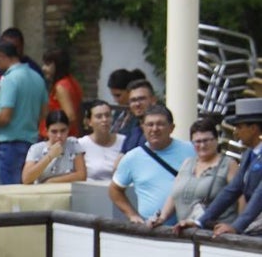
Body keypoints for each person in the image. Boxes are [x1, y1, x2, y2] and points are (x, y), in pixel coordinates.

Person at [109, 105, 195, 225]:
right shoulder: (132, 158)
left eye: (160, 124)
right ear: (142, 127)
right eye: (150, 124)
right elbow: (114, 189)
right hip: (152, 229)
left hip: (190, 229)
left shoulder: (192, 150)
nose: (154, 129)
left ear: (172, 128)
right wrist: (132, 215)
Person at [0, 28, 42, 185]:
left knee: (8, 192)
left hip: (10, 143)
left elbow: (5, 116)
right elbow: (44, 112)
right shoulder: (36, 77)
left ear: (1, 56)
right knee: (24, 188)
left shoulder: (9, 78)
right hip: (31, 141)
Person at [151, 116, 237, 232]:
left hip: (216, 233)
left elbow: (240, 197)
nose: (202, 145)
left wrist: (236, 228)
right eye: (197, 141)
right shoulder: (187, 163)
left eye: (206, 140)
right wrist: (162, 218)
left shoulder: (228, 164)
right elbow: (174, 195)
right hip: (185, 231)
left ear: (216, 140)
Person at [192, 98, 262, 236]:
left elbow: (260, 196)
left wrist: (236, 227)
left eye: (240, 127)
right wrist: (200, 221)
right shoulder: (249, 154)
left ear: (253, 128)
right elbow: (232, 190)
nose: (236, 133)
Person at [22, 110, 85, 185]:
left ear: (68, 129)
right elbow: (26, 179)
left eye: (63, 131)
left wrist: (52, 181)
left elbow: (81, 175)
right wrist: (50, 156)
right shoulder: (36, 149)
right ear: (46, 131)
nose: (59, 136)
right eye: (54, 132)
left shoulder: (73, 144)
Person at [39, 47, 83, 138]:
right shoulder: (72, 81)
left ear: (57, 65)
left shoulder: (61, 86)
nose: (43, 68)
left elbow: (70, 116)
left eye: (48, 64)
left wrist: (56, 134)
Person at [78, 99, 125, 182]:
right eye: (99, 116)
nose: (104, 120)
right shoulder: (81, 144)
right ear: (89, 122)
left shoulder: (124, 141)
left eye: (107, 115)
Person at [119, 79, 157, 153]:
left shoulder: (160, 128)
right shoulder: (132, 129)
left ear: (153, 100)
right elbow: (122, 156)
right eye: (133, 100)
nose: (137, 104)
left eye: (141, 99)